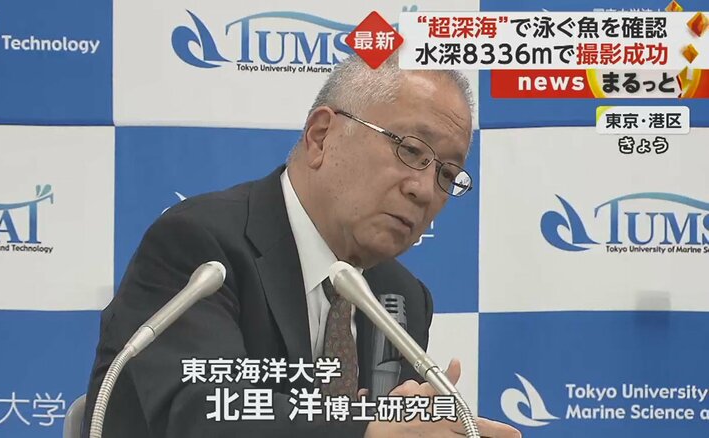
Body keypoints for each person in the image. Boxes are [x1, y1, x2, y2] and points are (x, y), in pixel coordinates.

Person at [81, 52, 521, 438]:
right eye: (410, 150)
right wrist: (366, 429)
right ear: (321, 136)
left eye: (447, 174)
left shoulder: (401, 296)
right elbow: (202, 415)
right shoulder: (199, 248)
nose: (424, 190)